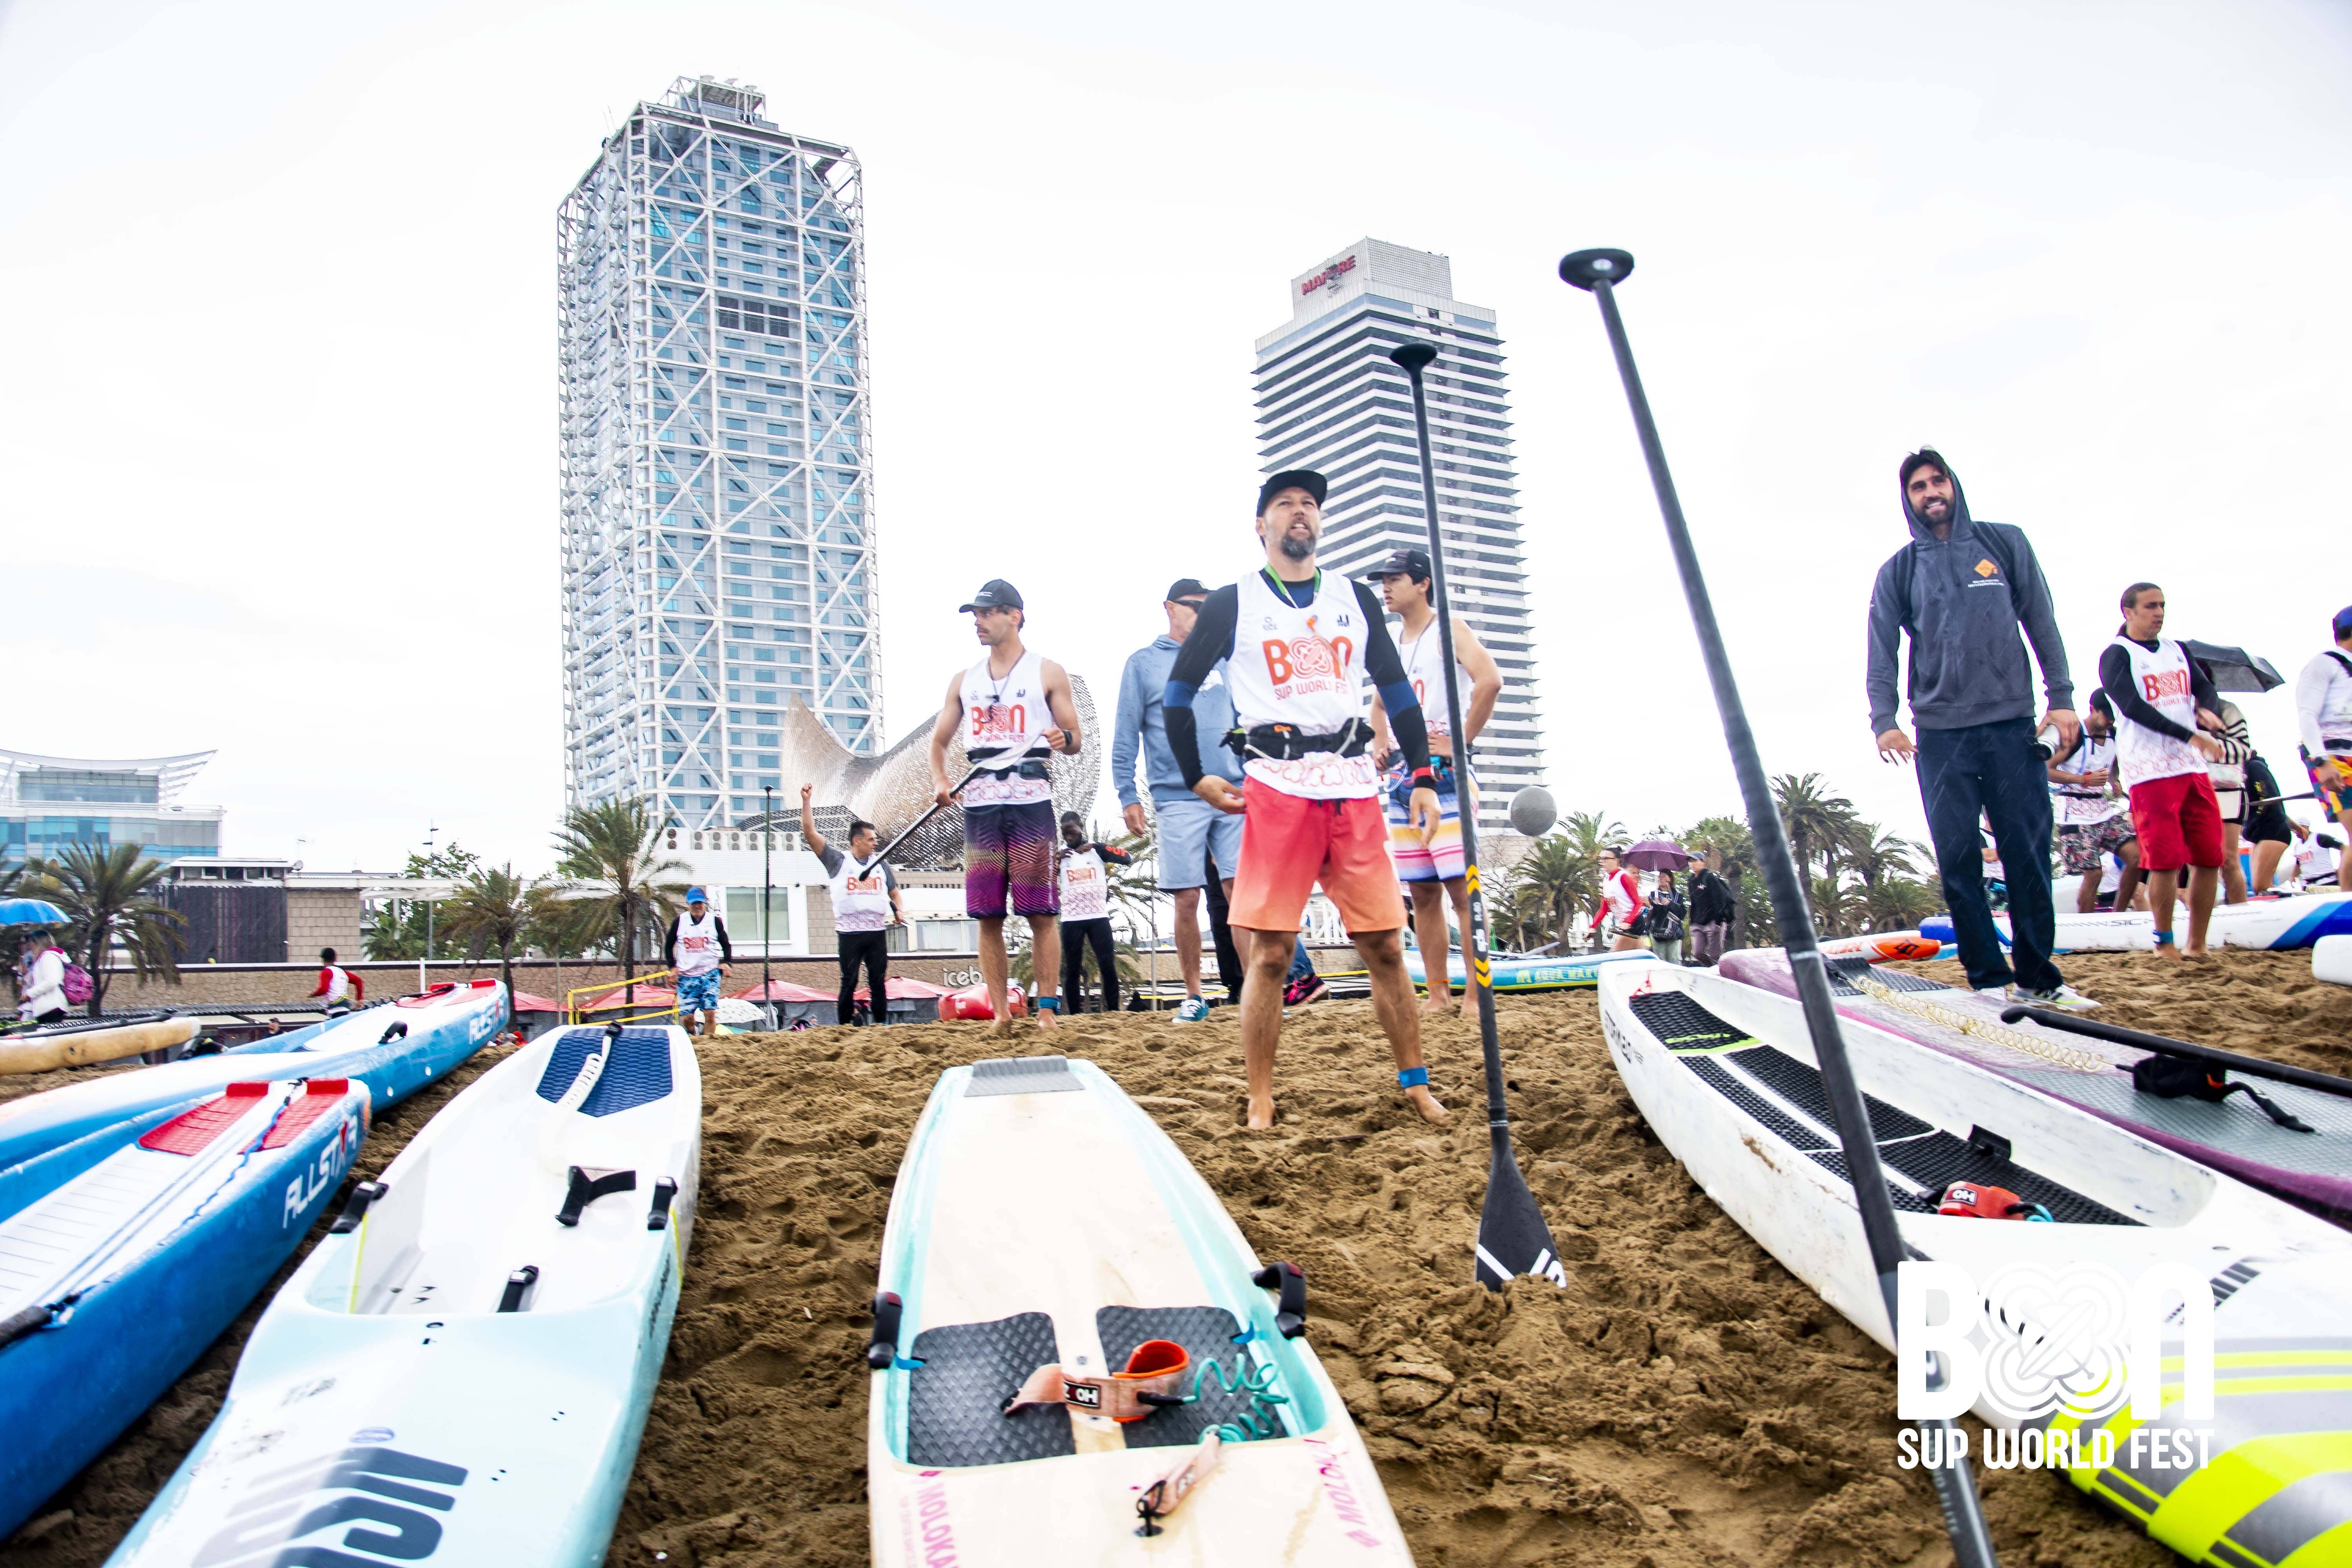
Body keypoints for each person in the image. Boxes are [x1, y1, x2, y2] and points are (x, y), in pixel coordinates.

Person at [1163, 468, 1446, 1129]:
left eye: (1310, 504)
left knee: (1385, 946)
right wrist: (1195, 776)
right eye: (1285, 503)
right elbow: (1178, 693)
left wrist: (1425, 777)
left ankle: (1415, 1084)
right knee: (1269, 953)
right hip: (1277, 787)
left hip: (1353, 786)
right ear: (1261, 525)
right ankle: (1261, 1095)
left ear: (1320, 521)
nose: (1300, 512)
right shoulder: (1233, 603)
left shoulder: (1354, 598)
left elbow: (1396, 693)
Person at [1867, 448, 2091, 1007]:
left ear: (1954, 485)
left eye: (1937, 481)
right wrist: (1884, 721)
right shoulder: (1900, 570)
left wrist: (2062, 698)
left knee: (2028, 855)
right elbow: (1881, 647)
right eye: (1918, 486)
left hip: (2012, 725)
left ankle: (2040, 980)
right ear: (1908, 499)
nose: (1930, 492)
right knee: (1960, 858)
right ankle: (1988, 980)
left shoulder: (2004, 543)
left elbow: (2041, 619)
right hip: (1941, 735)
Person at [929, 579, 1082, 1032]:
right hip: (981, 806)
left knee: (1041, 911)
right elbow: (939, 743)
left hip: (1030, 801)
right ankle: (1000, 1013)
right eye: (975, 614)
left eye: (986, 613)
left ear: (1014, 616)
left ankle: (1047, 1011)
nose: (978, 621)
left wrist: (1063, 737)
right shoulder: (964, 680)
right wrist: (941, 780)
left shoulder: (1047, 671)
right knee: (987, 914)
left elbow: (1075, 737)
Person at [1366, 546, 1504, 1015]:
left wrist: (1460, 741)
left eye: (1396, 578)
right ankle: (1439, 993)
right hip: (1402, 777)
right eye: (1383, 579)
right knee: (1422, 893)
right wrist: (1380, 741)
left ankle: (1477, 994)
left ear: (1423, 582)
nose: (1386, 587)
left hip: (1445, 774)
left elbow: (1490, 681)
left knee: (1462, 890)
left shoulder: (1449, 629)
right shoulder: (1390, 639)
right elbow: (1380, 702)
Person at [1112, 579, 1243, 1022]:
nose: (1204, 615)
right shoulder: (1144, 664)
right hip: (1177, 795)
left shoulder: (1224, 659)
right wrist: (1127, 794)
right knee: (1187, 897)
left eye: (1210, 609)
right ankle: (1194, 995)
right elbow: (1126, 733)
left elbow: (1244, 718)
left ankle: (1256, 989)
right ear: (1170, 608)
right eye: (1194, 607)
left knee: (1239, 892)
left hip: (1233, 790)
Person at [2098, 584, 2228, 960]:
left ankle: (2197, 944)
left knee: (2210, 857)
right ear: (2128, 612)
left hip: (2192, 767)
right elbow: (2132, 707)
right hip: (2150, 772)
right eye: (2150, 606)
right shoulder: (2116, 655)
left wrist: (2207, 708)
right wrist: (2191, 735)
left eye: (2163, 606)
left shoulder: (2178, 649)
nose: (2159, 613)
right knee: (2165, 861)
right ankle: (2164, 942)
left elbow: (2205, 688)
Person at [801, 783, 903, 1026]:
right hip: (850, 933)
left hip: (876, 931)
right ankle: (845, 1027)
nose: (875, 843)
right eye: (871, 840)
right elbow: (810, 834)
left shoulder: (881, 864)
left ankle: (881, 1024)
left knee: (878, 981)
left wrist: (899, 909)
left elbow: (894, 893)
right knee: (849, 980)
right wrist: (806, 802)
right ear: (856, 841)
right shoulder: (838, 860)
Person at [2047, 695, 2140, 915]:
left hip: (2102, 810)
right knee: (2095, 874)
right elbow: (2046, 770)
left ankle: (2117, 915)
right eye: (2106, 716)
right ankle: (2086, 924)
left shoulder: (2114, 735)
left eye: (2113, 717)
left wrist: (2115, 781)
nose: (2110, 721)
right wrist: (2084, 780)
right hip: (2073, 812)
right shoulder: (2074, 735)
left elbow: (2113, 766)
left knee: (2137, 858)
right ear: (2093, 709)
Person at [2292, 606, 2352, 885]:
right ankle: (2348, 901)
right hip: (2332, 755)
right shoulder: (2325, 663)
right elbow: (2307, 714)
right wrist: (2321, 761)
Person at [1055, 811, 1132, 1014]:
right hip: (1071, 919)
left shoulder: (1096, 850)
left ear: (1081, 827)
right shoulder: (1060, 855)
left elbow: (1128, 858)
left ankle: (1114, 1011)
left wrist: (1098, 847)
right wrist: (1055, 860)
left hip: (1098, 917)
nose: (1069, 837)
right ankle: (1075, 1014)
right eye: (1065, 834)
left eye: (1072, 833)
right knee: (1072, 969)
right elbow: (1042, 878)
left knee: (1107, 965)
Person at [2194, 665, 2256, 904]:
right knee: (2198, 860)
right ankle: (2201, 919)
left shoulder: (2227, 710)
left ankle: (2242, 913)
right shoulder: (2175, 713)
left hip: (2228, 790)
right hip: (2192, 789)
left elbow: (2244, 750)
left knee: (2229, 860)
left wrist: (2206, 743)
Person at [664, 888, 732, 1036]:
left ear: (705, 904)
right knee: (687, 1018)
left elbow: (726, 944)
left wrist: (727, 963)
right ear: (688, 905)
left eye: (700, 903)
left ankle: (708, 1044)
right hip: (686, 976)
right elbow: (668, 946)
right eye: (694, 903)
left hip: (710, 974)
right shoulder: (680, 922)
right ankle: (693, 1032)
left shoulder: (714, 922)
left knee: (710, 1013)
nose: (697, 906)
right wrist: (672, 967)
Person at [2242, 750, 2296, 895]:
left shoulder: (2252, 766)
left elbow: (2267, 798)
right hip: (2262, 832)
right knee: (2258, 888)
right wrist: (2295, 826)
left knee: (2262, 886)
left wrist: (2251, 826)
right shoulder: (2247, 769)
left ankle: (2300, 900)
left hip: (2271, 831)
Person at [1589, 847, 1644, 952]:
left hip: (1634, 924)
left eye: (1606, 859)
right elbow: (1604, 908)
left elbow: (1638, 904)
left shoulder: (1623, 877)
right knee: (1638, 957)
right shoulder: (1606, 880)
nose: (1603, 862)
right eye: (1601, 859)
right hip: (1624, 926)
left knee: (1615, 955)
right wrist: (1593, 926)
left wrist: (1628, 922)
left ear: (1616, 860)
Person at [1687, 853, 1735, 965]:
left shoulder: (1709, 877)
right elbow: (1694, 902)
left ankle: (1719, 972)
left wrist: (1719, 921)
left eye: (1695, 861)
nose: (1692, 864)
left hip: (1713, 921)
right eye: (1690, 861)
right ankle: (1713, 970)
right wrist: (1692, 920)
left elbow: (1720, 899)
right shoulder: (1691, 880)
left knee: (1715, 956)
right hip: (1698, 922)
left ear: (1703, 862)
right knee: (1697, 953)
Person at [15, 932, 67, 1025]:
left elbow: (51, 982)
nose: (30, 947)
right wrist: (26, 974)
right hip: (46, 1009)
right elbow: (37, 982)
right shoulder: (43, 958)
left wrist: (30, 994)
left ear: (38, 943)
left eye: (31, 944)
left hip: (51, 1007)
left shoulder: (48, 957)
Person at [1647, 870, 1688, 965]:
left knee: (1674, 960)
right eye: (1660, 877)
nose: (1661, 879)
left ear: (1670, 879)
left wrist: (1670, 904)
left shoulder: (1677, 896)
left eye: (1664, 876)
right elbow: (1650, 913)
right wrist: (1654, 905)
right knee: (1660, 961)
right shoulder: (1654, 895)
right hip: (1657, 932)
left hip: (1673, 933)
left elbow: (1682, 914)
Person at [309, 947, 364, 1016]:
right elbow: (358, 981)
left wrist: (313, 994)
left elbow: (324, 989)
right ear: (335, 959)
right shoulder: (341, 972)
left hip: (335, 1008)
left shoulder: (326, 972)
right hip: (346, 1006)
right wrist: (359, 1000)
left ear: (323, 960)